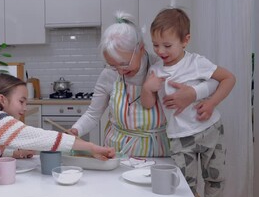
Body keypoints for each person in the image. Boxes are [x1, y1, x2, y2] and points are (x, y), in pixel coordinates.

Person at [0, 74, 115, 197]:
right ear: (2, 99)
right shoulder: (0, 120)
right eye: (21, 101)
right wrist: (92, 147)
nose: (24, 107)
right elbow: (43, 137)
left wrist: (14, 154)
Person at [69, 11, 218, 157]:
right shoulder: (109, 75)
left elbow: (215, 80)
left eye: (124, 64)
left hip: (160, 152)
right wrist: (76, 130)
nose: (120, 71)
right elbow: (92, 114)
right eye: (113, 65)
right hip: (118, 153)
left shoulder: (161, 67)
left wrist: (194, 93)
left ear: (141, 48)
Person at [141, 8, 235, 197]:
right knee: (185, 186)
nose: (160, 51)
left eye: (167, 45)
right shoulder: (155, 70)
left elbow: (228, 79)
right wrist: (147, 89)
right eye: (155, 45)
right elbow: (148, 105)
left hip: (210, 129)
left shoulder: (197, 62)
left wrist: (211, 103)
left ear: (185, 40)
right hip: (179, 136)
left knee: (215, 180)